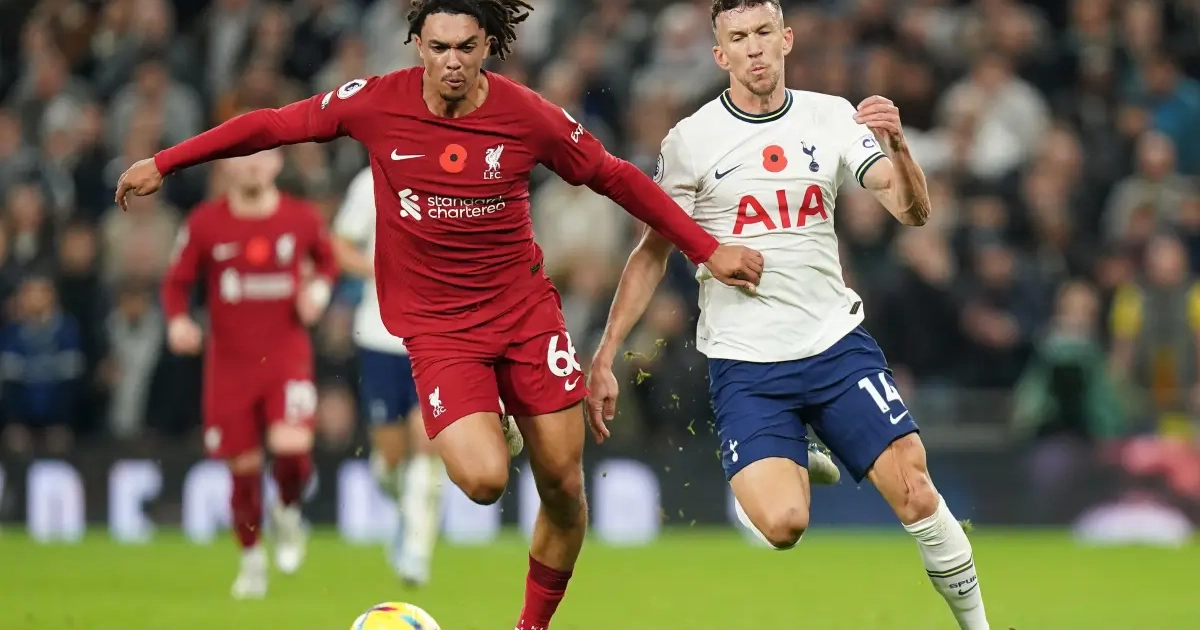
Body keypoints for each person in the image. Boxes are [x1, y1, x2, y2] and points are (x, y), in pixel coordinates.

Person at [116, 0, 764, 625]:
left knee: (564, 488)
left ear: (488, 47)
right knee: (483, 482)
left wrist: (707, 249)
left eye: (465, 47)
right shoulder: (375, 102)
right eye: (439, 47)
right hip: (440, 331)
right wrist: (166, 161)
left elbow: (616, 176)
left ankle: (531, 626)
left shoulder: (526, 114)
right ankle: (496, 423)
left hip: (525, 318)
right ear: (418, 47)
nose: (452, 60)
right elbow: (272, 125)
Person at [586, 2, 991, 629]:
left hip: (834, 344)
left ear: (787, 40)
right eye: (738, 37)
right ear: (720, 54)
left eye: (763, 33)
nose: (753, 48)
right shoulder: (691, 140)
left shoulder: (830, 116)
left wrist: (899, 147)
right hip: (746, 362)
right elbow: (651, 252)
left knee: (916, 490)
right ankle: (794, 450)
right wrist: (607, 352)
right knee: (782, 525)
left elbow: (912, 212)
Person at [333, 166, 523, 586]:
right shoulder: (369, 181)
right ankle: (408, 514)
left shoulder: (461, 179)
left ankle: (416, 550)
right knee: (389, 460)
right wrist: (380, 270)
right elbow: (340, 246)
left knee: (428, 440)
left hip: (441, 337)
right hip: (380, 336)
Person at [161, 148, 337, 599]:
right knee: (243, 469)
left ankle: (289, 511)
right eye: (242, 158)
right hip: (230, 366)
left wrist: (317, 293)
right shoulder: (205, 223)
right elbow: (177, 281)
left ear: (278, 163)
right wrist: (178, 320)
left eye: (262, 156)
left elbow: (328, 261)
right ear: (226, 165)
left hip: (286, 358)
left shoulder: (300, 218)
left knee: (293, 451)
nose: (253, 165)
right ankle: (252, 561)